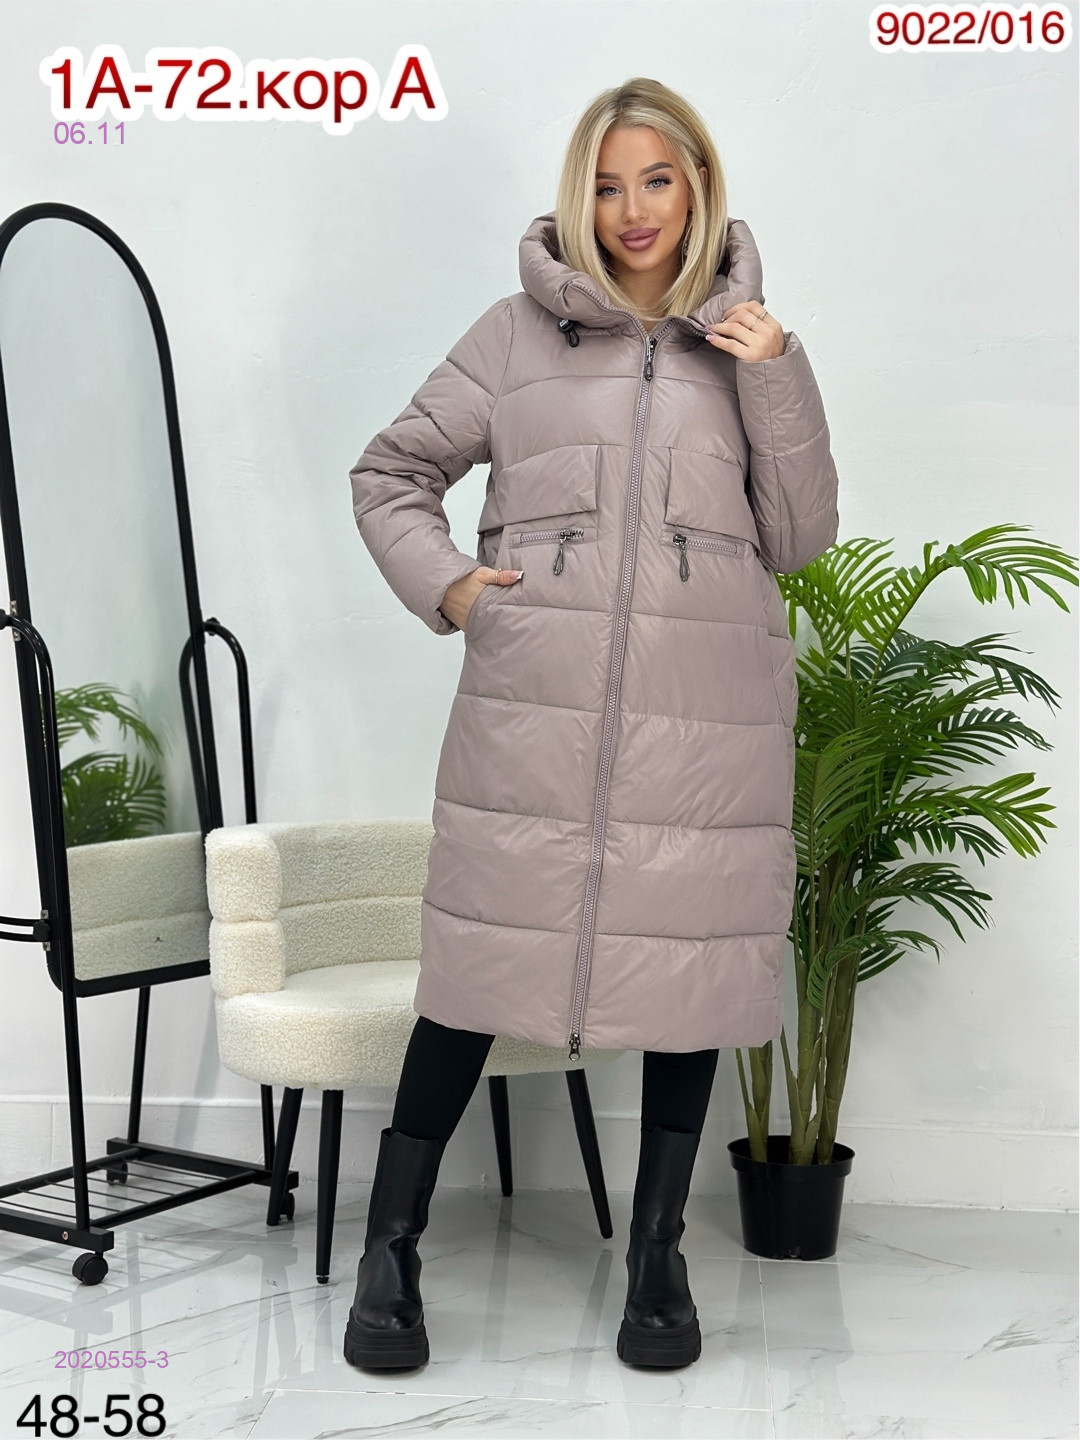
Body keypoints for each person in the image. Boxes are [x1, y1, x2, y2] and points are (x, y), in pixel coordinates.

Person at [345, 76, 839, 1372]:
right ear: (582, 195)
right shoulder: (515, 335)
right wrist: (451, 586)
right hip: (533, 711)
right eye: (609, 185)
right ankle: (390, 1248)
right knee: (469, 976)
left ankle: (658, 1255)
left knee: (684, 984)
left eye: (656, 180)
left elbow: (799, 539)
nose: (632, 210)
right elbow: (391, 472)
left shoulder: (752, 347)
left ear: (699, 186)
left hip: (705, 717)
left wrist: (777, 375)